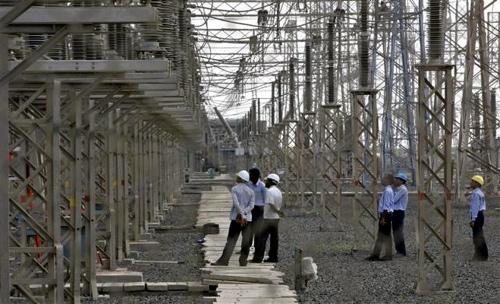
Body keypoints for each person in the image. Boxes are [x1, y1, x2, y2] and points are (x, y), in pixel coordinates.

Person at [212, 170, 255, 266]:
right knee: (246, 241)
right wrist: (245, 213)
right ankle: (243, 261)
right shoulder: (251, 191)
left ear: (239, 179)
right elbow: (252, 205)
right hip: (248, 219)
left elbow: (236, 204)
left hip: (236, 219)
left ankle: (224, 260)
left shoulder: (235, 189)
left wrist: (241, 214)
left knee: (231, 240)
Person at [253, 173, 282, 263]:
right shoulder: (278, 191)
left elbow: (271, 203)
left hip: (268, 218)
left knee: (262, 238)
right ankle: (273, 257)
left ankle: (258, 258)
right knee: (274, 239)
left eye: (267, 181)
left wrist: (277, 211)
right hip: (275, 219)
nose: (265, 182)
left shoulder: (269, 191)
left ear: (271, 181)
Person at [366, 174, 395, 261]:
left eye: (385, 179)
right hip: (387, 215)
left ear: (389, 180)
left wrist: (383, 218)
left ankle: (384, 255)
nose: (383, 180)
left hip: (385, 215)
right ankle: (378, 254)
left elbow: (386, 206)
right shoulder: (388, 190)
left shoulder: (387, 191)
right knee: (384, 235)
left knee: (384, 235)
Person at [248, 168, 266, 260]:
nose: (249, 177)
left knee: (258, 233)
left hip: (259, 210)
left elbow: (266, 199)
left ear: (256, 176)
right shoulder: (248, 185)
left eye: (251, 175)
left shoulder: (262, 186)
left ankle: (258, 255)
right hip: (250, 210)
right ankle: (247, 249)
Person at [469, 175, 488, 261]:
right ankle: (483, 254)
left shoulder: (476, 194)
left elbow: (475, 207)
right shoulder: (481, 193)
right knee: (480, 235)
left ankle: (480, 255)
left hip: (477, 215)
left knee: (477, 236)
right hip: (481, 215)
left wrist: (473, 219)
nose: (470, 183)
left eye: (472, 181)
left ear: (477, 183)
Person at [392, 173, 408, 256]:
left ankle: (401, 251)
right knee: (395, 232)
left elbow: (394, 200)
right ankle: (398, 250)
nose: (396, 180)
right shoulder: (398, 188)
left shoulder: (402, 189)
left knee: (398, 232)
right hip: (395, 212)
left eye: (397, 179)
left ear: (402, 181)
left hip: (399, 212)